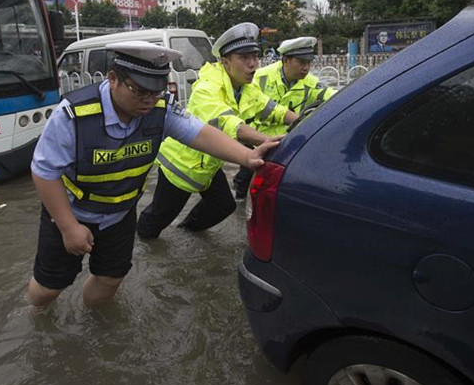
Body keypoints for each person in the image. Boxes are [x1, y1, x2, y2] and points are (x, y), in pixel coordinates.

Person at [26, 41, 278, 309]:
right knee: (49, 288)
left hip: (120, 213)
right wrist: (68, 227)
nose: (149, 100)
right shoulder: (73, 115)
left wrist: (248, 157)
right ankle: (38, 318)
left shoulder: (160, 108)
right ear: (113, 79)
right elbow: (44, 172)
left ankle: (92, 322)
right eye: (140, 91)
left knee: (110, 280)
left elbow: (200, 133)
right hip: (72, 212)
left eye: (156, 91)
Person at [136, 23, 298, 240]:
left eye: (255, 57)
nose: (253, 65)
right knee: (155, 222)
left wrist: (303, 123)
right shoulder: (207, 88)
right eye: (244, 58)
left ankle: (186, 232)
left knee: (224, 206)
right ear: (225, 61)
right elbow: (229, 124)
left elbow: (272, 109)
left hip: (209, 165)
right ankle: (140, 248)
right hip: (182, 166)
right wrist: (268, 140)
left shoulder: (245, 87)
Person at [232, 36, 337, 199]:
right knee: (244, 185)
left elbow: (332, 96)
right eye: (301, 62)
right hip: (256, 142)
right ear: (286, 60)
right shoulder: (259, 78)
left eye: (309, 62)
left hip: (285, 144)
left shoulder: (310, 83)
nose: (306, 68)